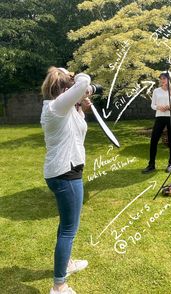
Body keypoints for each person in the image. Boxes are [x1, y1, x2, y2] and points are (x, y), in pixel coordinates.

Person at [40, 66, 93, 294]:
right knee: (69, 230)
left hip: (65, 172)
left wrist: (83, 108)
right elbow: (83, 83)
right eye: (70, 88)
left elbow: (78, 131)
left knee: (66, 226)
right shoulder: (56, 107)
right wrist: (77, 77)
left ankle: (67, 263)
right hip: (65, 175)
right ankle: (59, 286)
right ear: (64, 89)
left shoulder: (65, 108)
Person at [142, 71, 171, 174]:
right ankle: (151, 165)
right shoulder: (156, 91)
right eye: (161, 78)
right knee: (154, 140)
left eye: (164, 78)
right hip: (160, 117)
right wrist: (159, 107)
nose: (162, 80)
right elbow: (153, 105)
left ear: (169, 79)